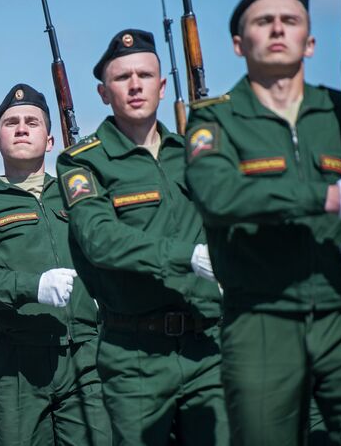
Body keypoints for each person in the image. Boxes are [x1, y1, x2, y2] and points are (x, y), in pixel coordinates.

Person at [184, 0, 341, 445]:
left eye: (290, 20)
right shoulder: (214, 119)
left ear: (311, 41)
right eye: (264, 21)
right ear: (239, 44)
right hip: (262, 319)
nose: (278, 29)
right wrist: (328, 197)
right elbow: (219, 195)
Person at [55, 29, 228, 446]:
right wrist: (187, 255)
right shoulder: (83, 162)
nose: (135, 85)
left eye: (146, 75)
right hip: (134, 355)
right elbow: (99, 239)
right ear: (102, 92)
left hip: (207, 347)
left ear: (163, 85)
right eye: (122, 78)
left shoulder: (193, 153)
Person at [0, 84, 110, 445]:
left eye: (32, 122)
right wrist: (31, 287)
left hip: (85, 358)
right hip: (18, 365)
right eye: (11, 122)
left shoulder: (78, 194)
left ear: (50, 141)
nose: (21, 128)